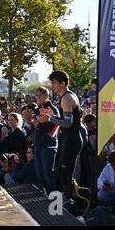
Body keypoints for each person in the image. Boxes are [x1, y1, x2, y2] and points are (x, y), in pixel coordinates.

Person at [38, 70, 83, 202]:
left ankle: (69, 203)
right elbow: (67, 120)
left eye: (54, 83)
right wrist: (53, 116)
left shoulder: (67, 98)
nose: (52, 86)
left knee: (65, 175)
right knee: (63, 173)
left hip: (71, 140)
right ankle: (68, 200)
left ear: (63, 83)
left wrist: (49, 119)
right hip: (69, 139)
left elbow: (68, 123)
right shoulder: (68, 96)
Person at [33, 87, 59, 193]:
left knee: (48, 174)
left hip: (48, 146)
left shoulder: (52, 109)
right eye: (36, 95)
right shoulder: (37, 109)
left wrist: (37, 124)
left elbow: (51, 129)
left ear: (46, 95)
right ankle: (45, 196)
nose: (37, 97)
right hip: (37, 144)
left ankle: (54, 200)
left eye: (40, 95)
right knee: (39, 174)